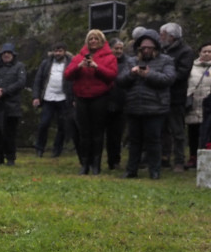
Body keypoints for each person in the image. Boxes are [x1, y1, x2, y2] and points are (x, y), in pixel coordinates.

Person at [118, 29, 175, 180]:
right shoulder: (131, 61)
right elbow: (121, 81)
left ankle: (154, 171)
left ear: (156, 48)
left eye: (149, 48)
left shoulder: (166, 60)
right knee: (134, 141)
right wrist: (132, 73)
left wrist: (148, 74)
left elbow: (168, 79)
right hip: (134, 107)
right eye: (143, 48)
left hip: (155, 108)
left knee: (153, 140)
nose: (146, 50)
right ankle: (131, 170)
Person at [65, 29, 118, 174]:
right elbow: (68, 74)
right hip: (82, 97)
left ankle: (96, 164)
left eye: (96, 39)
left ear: (101, 41)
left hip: (99, 98)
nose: (93, 41)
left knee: (97, 132)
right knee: (84, 133)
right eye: (91, 39)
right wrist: (79, 66)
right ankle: (85, 164)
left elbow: (112, 75)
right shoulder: (78, 57)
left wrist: (97, 67)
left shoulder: (109, 57)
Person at [158, 22, 194, 172]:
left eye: (163, 35)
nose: (160, 38)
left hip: (176, 97)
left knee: (177, 130)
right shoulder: (161, 51)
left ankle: (179, 160)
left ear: (171, 37)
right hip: (160, 96)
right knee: (161, 129)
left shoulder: (185, 51)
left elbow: (182, 73)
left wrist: (164, 78)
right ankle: (163, 158)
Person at [0, 43, 27, 166]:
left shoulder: (19, 67)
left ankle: (10, 158)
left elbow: (21, 82)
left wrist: (4, 91)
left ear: (13, 55)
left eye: (9, 53)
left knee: (10, 133)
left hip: (11, 105)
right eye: (4, 53)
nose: (6, 55)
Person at [32, 43, 73, 157]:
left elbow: (73, 81)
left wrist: (73, 98)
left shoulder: (70, 63)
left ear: (64, 51)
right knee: (44, 124)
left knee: (62, 125)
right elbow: (38, 80)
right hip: (48, 98)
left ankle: (57, 149)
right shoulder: (46, 63)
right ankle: (39, 148)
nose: (58, 53)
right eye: (56, 51)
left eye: (60, 51)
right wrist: (36, 96)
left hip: (63, 98)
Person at [185, 42, 211, 169]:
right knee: (193, 131)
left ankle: (207, 156)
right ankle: (193, 156)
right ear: (199, 53)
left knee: (208, 132)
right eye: (204, 51)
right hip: (195, 103)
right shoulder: (192, 67)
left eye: (209, 51)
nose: (207, 53)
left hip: (210, 105)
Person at [104, 38, 128, 170]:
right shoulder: (105, 61)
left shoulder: (127, 62)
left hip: (121, 101)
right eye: (116, 48)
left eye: (120, 49)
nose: (118, 51)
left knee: (117, 133)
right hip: (106, 99)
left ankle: (115, 160)